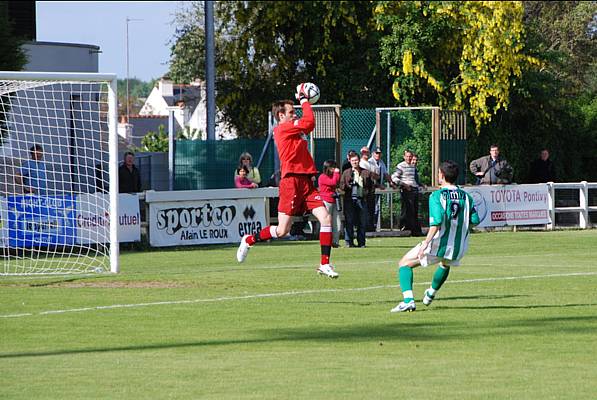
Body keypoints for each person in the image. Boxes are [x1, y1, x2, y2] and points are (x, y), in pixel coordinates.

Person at [236, 85, 338, 278]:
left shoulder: (291, 129)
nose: (294, 115)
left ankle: (325, 264)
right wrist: (304, 100)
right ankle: (249, 239)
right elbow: (309, 123)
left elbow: (306, 124)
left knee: (325, 218)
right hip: (291, 183)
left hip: (306, 183)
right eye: (291, 112)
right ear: (281, 115)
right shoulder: (282, 129)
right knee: (282, 231)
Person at [391, 160, 480, 312]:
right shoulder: (466, 197)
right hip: (458, 246)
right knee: (445, 264)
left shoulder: (436, 196)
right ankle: (431, 293)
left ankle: (408, 301)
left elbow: (436, 222)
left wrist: (426, 242)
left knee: (404, 264)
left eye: (439, 173)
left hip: (439, 242)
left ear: (442, 175)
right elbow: (475, 220)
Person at [340, 152, 377, 248]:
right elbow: (341, 186)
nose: (355, 162)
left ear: (359, 160)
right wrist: (349, 184)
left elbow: (371, 186)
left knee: (362, 222)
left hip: (362, 199)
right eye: (353, 161)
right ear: (350, 161)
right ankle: (349, 242)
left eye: (356, 160)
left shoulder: (366, 172)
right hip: (349, 200)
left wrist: (368, 194)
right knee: (349, 221)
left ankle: (362, 242)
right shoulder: (346, 172)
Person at [391, 150, 423, 236]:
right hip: (407, 189)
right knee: (408, 210)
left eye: (410, 156)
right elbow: (394, 177)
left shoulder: (413, 167)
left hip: (414, 189)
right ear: (404, 157)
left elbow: (414, 179)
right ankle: (404, 228)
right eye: (407, 156)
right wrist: (404, 185)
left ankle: (415, 230)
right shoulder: (401, 166)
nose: (409, 158)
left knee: (415, 210)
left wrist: (420, 185)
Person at [368, 147, 396, 231]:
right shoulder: (369, 162)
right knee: (371, 208)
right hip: (371, 189)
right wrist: (378, 185)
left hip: (379, 189)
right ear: (373, 154)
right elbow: (370, 177)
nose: (378, 155)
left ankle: (374, 226)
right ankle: (369, 227)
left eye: (379, 153)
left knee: (377, 208)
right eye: (376, 153)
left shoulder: (381, 162)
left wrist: (391, 183)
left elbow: (386, 174)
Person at [318, 159, 342, 248]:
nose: (334, 169)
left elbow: (337, 181)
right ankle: (326, 242)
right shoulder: (322, 177)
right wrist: (336, 173)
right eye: (332, 167)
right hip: (326, 201)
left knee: (337, 223)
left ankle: (335, 242)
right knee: (327, 223)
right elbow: (333, 182)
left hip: (334, 201)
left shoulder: (334, 176)